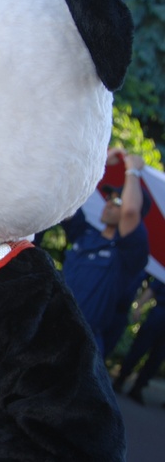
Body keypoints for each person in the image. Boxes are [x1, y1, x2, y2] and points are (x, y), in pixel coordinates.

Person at [62, 149, 149, 359]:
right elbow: (63, 194)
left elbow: (130, 213)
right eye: (109, 197)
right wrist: (97, 162)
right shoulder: (84, 233)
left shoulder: (127, 255)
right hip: (47, 327)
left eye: (118, 201)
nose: (109, 202)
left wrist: (132, 172)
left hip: (81, 345)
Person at [113, 276, 165, 405]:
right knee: (139, 348)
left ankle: (138, 387)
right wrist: (139, 306)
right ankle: (121, 378)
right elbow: (152, 289)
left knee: (157, 357)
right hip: (159, 314)